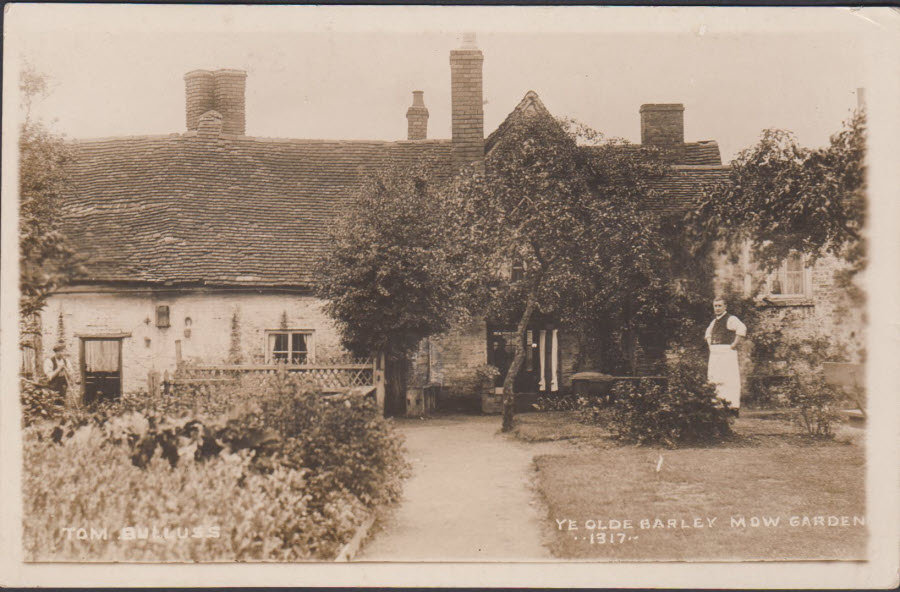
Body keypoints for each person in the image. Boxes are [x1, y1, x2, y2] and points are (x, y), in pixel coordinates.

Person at [705, 297, 747, 416]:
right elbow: (708, 334)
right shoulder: (714, 322)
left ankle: (733, 407)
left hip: (727, 352)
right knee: (715, 378)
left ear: (725, 307)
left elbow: (742, 328)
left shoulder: (731, 319)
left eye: (719, 306)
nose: (717, 308)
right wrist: (711, 346)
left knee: (730, 379)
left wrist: (734, 344)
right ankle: (718, 406)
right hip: (715, 353)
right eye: (715, 306)